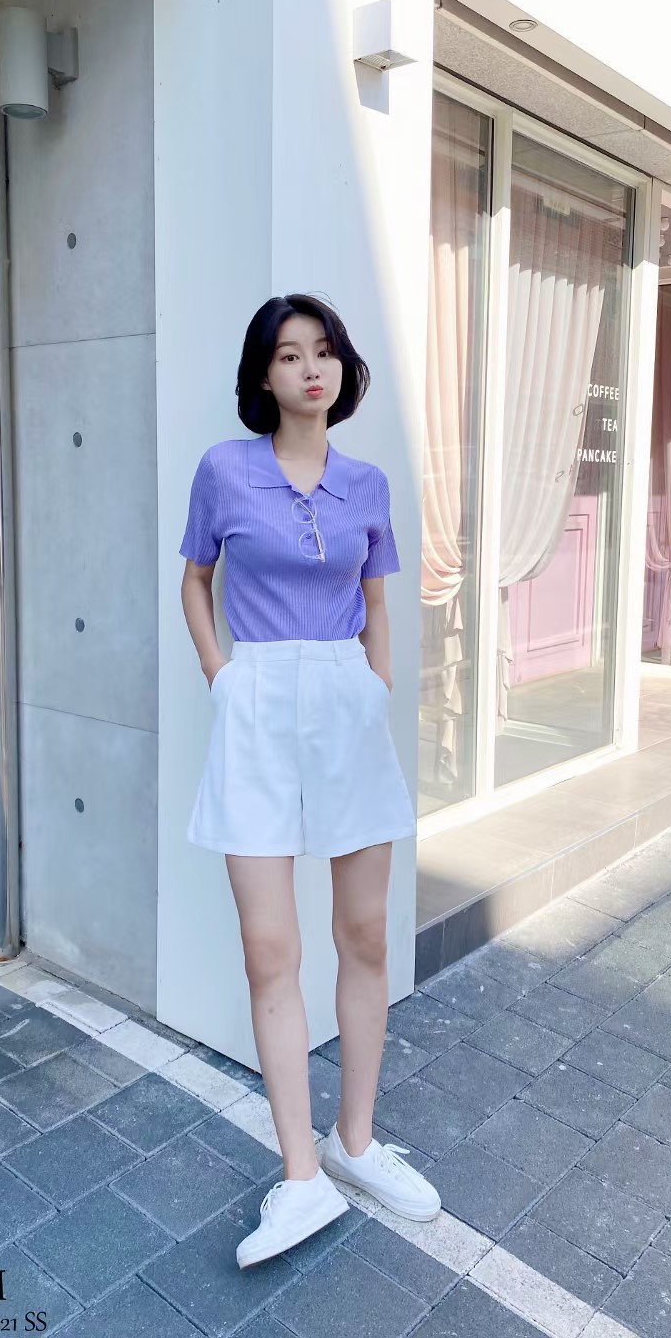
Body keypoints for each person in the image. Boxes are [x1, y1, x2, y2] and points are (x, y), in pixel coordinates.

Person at [179, 293, 441, 1269]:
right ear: (264, 375)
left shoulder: (367, 484)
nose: (310, 368)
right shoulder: (224, 470)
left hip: (344, 701)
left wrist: (375, 686)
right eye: (289, 355)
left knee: (365, 934)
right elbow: (195, 581)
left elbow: (377, 599)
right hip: (257, 700)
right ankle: (300, 1175)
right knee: (270, 949)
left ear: (343, 368)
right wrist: (223, 675)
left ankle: (355, 1143)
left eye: (324, 351)